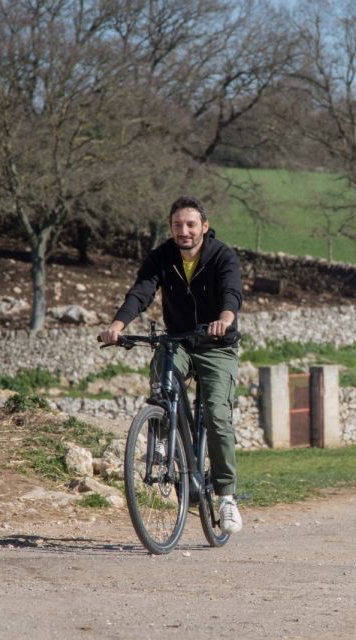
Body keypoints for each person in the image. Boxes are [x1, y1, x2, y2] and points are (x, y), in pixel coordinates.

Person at [99, 195, 244, 533]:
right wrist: (118, 326)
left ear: (204, 228)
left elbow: (232, 292)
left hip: (216, 344)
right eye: (178, 225)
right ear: (171, 228)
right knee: (161, 373)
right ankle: (163, 440)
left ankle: (226, 497)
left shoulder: (222, 256)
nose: (184, 231)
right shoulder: (162, 256)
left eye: (191, 224)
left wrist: (224, 318)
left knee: (217, 414)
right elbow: (141, 292)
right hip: (178, 339)